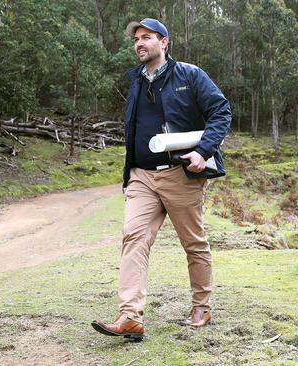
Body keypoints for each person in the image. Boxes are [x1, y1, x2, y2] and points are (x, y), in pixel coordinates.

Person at [91, 18, 231, 341]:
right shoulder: (136, 82)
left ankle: (201, 305)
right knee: (133, 237)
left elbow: (221, 112)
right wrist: (129, 174)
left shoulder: (190, 76)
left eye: (146, 37)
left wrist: (203, 151)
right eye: (136, 39)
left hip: (181, 174)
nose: (139, 43)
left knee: (193, 243)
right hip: (141, 176)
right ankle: (129, 316)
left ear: (164, 42)